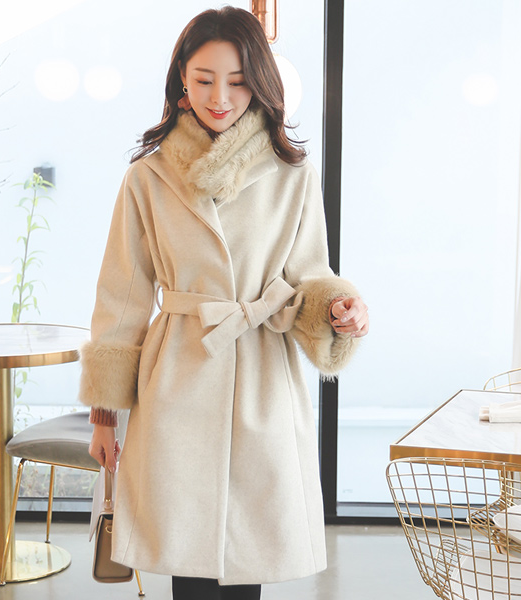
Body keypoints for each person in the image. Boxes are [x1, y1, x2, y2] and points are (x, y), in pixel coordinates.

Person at [80, 6, 369, 600]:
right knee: (184, 553)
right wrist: (105, 414)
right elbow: (122, 297)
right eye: (205, 78)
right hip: (177, 377)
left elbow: (311, 276)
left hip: (262, 375)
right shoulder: (148, 178)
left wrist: (341, 310)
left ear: (260, 83)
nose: (220, 97)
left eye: (237, 81)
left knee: (247, 555)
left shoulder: (292, 174)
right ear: (181, 82)